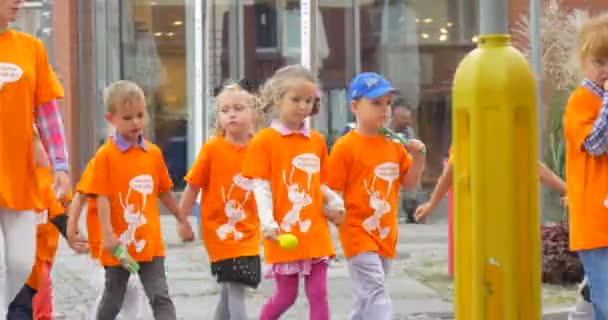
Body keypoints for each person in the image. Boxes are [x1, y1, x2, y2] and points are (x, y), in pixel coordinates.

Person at [242, 65, 344, 320]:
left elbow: (319, 183)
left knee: (319, 293)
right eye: (296, 99)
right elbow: (261, 186)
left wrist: (336, 201)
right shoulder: (264, 141)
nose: (303, 106)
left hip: (315, 233)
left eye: (308, 100)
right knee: (286, 296)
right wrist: (268, 222)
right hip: (283, 232)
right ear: (278, 99)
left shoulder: (317, 141)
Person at [85, 80, 194, 320]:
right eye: (127, 117)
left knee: (160, 296)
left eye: (140, 115)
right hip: (120, 246)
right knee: (114, 297)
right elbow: (100, 195)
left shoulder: (153, 153)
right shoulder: (106, 156)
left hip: (150, 243)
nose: (136, 122)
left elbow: (164, 191)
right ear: (111, 118)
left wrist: (180, 218)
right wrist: (108, 234)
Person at [327, 72, 426, 319]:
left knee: (366, 299)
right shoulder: (345, 147)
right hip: (357, 232)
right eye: (375, 103)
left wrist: (420, 156)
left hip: (386, 233)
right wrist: (333, 212)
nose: (385, 110)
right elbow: (330, 190)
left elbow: (410, 183)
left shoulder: (394, 144)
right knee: (375, 290)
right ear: (354, 107)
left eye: (388, 103)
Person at [0, 0, 71, 314]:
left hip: (21, 177)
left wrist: (60, 164)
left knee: (21, 262)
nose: (18, 1)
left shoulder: (31, 48)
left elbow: (48, 114)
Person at [179, 83, 263, 320]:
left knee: (231, 287)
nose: (232, 114)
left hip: (249, 230)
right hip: (218, 232)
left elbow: (270, 188)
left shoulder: (260, 148)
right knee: (235, 285)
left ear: (253, 113)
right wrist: (182, 219)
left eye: (238, 108)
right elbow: (193, 185)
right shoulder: (212, 149)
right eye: (225, 110)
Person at [67, 151, 153, 319]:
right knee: (123, 284)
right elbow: (79, 197)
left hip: (128, 244)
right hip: (105, 246)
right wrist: (72, 229)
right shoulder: (100, 163)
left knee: (132, 287)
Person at [563, 13, 608, 320]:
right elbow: (595, 144)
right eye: (599, 62)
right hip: (597, 223)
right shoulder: (581, 101)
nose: (606, 70)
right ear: (584, 61)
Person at [414, 146, 568, 222]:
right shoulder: (470, 128)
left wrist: (567, 189)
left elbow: (533, 166)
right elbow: (452, 169)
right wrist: (432, 204)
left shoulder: (506, 126)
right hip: (482, 213)